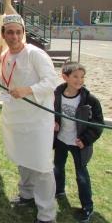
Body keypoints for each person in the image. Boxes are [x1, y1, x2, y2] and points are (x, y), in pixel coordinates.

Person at [0, 14, 58, 223]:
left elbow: (51, 82)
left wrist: (27, 90)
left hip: (37, 120)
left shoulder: (35, 54)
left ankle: (47, 215)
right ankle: (26, 195)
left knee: (41, 165)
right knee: (23, 160)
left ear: (23, 33)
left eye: (18, 32)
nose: (14, 36)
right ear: (3, 34)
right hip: (14, 119)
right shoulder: (3, 55)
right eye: (9, 32)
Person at [54, 62, 104, 223]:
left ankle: (87, 208)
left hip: (79, 145)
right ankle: (59, 191)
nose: (79, 80)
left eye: (82, 77)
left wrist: (85, 140)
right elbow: (50, 113)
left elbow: (98, 124)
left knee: (81, 176)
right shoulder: (56, 95)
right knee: (58, 168)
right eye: (75, 76)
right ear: (65, 76)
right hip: (61, 140)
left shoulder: (90, 100)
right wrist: (53, 123)